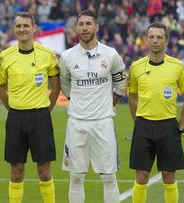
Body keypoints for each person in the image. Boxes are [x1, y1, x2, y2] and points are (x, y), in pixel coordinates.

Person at [59, 10, 127, 203]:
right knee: (76, 176)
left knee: (108, 176)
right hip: (76, 123)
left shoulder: (111, 54)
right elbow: (65, 84)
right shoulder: (67, 57)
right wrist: (77, 101)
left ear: (96, 27)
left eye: (89, 23)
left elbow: (121, 83)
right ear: (76, 28)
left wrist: (109, 103)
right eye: (81, 24)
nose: (85, 27)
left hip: (103, 123)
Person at [0, 12, 60, 203]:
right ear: (14, 29)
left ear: (34, 28)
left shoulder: (46, 54)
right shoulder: (6, 56)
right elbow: (1, 88)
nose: (22, 29)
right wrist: (14, 109)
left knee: (44, 170)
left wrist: (45, 110)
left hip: (40, 116)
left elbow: (55, 86)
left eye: (26, 25)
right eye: (19, 26)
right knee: (16, 170)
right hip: (16, 118)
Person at [128, 22, 184, 203]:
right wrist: (138, 122)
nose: (155, 41)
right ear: (146, 40)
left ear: (166, 41)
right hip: (143, 126)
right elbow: (132, 97)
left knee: (168, 176)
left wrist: (180, 126)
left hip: (168, 126)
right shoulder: (136, 67)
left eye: (159, 37)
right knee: (141, 176)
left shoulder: (177, 66)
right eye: (151, 37)